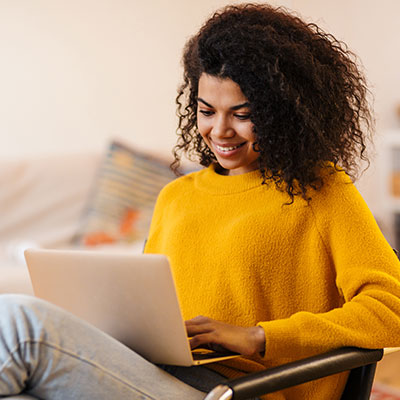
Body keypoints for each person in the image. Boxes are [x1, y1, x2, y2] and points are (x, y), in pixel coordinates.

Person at [1, 3, 400, 400]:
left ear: (284, 112)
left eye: (242, 114)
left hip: (243, 391)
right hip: (158, 375)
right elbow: (143, 310)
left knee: (19, 324)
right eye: (206, 111)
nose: (220, 130)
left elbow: (391, 308)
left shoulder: (321, 190)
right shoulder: (176, 196)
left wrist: (260, 337)